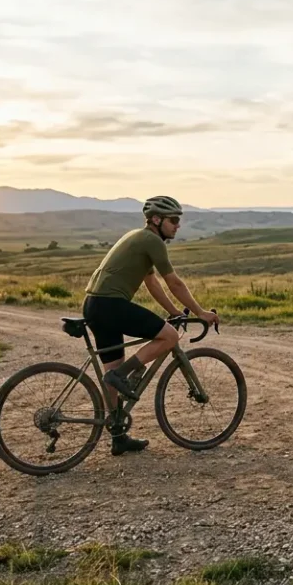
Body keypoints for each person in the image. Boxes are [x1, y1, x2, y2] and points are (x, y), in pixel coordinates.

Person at [82, 195, 219, 455]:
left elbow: (152, 282)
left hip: (95, 305)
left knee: (112, 370)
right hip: (111, 305)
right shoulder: (152, 240)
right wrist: (201, 312)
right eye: (174, 220)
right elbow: (174, 282)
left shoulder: (137, 237)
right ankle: (122, 374)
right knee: (169, 337)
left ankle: (118, 435)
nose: (178, 225)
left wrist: (174, 311)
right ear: (157, 220)